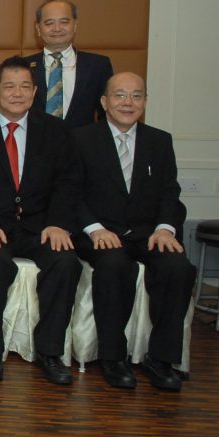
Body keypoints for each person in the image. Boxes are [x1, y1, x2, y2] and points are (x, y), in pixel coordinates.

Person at [0, 56, 82, 385]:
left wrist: (58, 223)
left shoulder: (56, 131)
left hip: (41, 227)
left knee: (65, 262)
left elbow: (68, 183)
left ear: (35, 92)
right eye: (9, 86)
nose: (17, 93)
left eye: (25, 87)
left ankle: (50, 353)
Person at [73, 72, 195, 391]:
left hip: (147, 234)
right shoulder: (81, 139)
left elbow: (170, 193)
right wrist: (95, 229)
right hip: (100, 233)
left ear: (145, 102)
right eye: (120, 95)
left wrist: (166, 229)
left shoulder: (160, 141)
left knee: (178, 268)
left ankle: (161, 359)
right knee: (114, 266)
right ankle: (113, 357)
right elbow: (71, 193)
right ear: (104, 102)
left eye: (136, 96)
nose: (128, 102)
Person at [24, 0, 113, 129]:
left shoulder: (98, 66)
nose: (57, 28)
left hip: (83, 141)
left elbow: (108, 115)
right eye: (49, 23)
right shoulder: (23, 66)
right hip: (35, 141)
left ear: (75, 25)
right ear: (38, 28)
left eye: (64, 22)